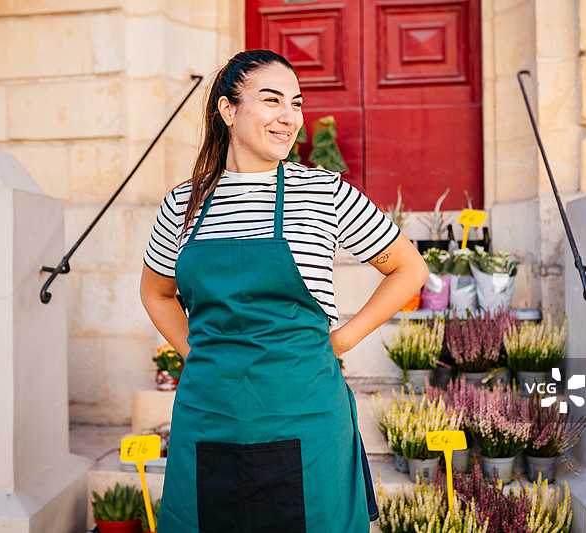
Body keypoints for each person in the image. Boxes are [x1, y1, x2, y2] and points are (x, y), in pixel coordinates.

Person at [139, 49, 428, 532]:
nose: (289, 117)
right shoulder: (182, 205)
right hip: (209, 416)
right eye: (271, 100)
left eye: (295, 103)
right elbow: (156, 293)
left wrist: (345, 338)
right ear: (228, 110)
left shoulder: (324, 192)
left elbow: (408, 269)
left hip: (306, 415)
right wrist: (196, 350)